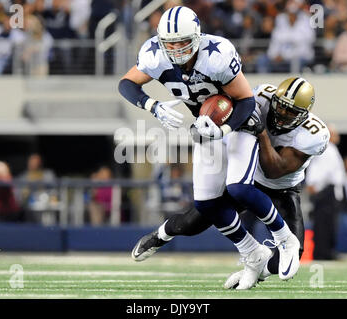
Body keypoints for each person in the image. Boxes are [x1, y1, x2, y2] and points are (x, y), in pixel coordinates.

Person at [118, 6, 301, 290]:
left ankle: (284, 238)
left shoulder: (217, 54)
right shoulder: (153, 54)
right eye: (171, 43)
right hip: (205, 127)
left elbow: (246, 100)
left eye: (182, 42)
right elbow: (127, 83)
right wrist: (151, 105)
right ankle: (252, 253)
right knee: (206, 204)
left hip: (239, 124)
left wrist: (225, 129)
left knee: (239, 188)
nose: (177, 49)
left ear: (197, 36)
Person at [130, 77, 329, 288]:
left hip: (283, 188)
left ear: (304, 114)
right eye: (281, 106)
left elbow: (274, 171)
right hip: (249, 178)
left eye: (291, 112)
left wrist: (261, 133)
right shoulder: (262, 96)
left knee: (291, 257)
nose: (282, 113)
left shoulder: (313, 134)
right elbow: (232, 109)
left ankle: (256, 269)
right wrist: (210, 123)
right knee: (192, 222)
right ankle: (160, 235)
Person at [306, 124, 345, 260]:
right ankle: (324, 252)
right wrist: (314, 185)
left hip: (327, 190)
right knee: (324, 223)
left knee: (326, 222)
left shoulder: (328, 148)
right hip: (326, 190)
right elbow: (325, 171)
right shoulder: (328, 149)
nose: (338, 136)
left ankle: (325, 251)